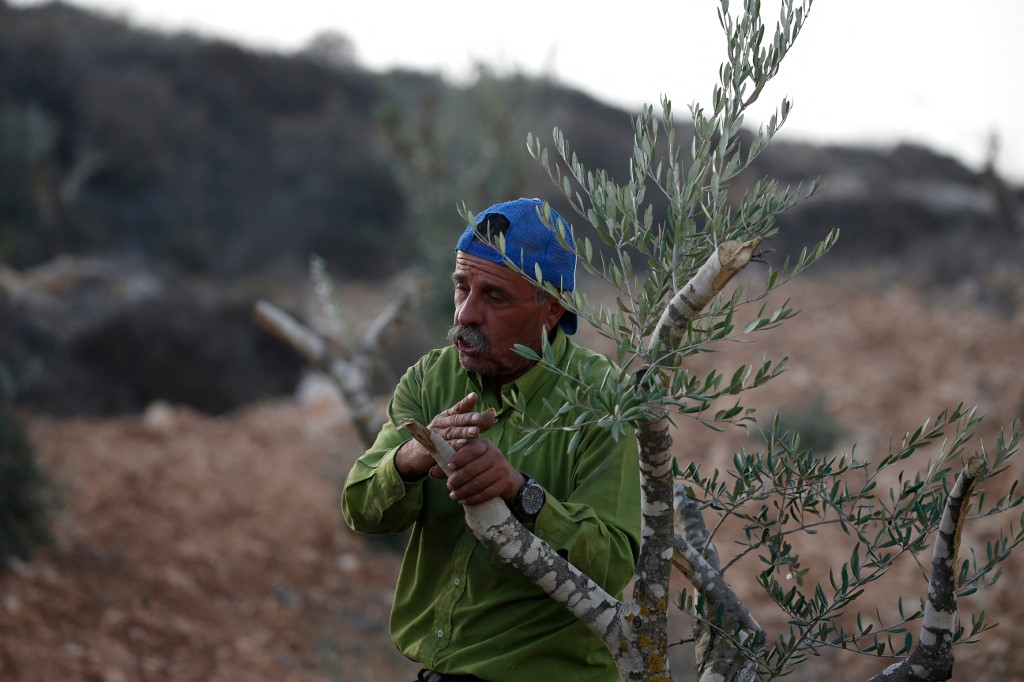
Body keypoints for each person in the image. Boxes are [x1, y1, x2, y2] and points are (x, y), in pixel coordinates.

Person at [342, 197, 641, 682]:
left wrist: (520, 493)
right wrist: (411, 459)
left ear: (551, 310)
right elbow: (361, 509)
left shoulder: (602, 400)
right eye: (462, 287)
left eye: (495, 297)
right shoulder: (431, 379)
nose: (465, 314)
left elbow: (613, 562)